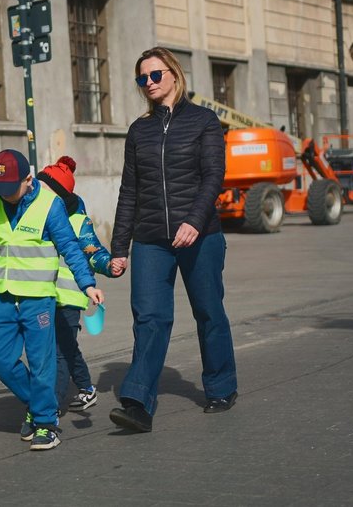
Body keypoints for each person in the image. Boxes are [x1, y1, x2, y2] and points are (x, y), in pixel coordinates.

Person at [109, 47, 238, 434]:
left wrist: (194, 220)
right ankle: (137, 402)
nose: (148, 83)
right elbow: (129, 191)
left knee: (208, 311)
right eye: (142, 78)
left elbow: (213, 176)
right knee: (149, 317)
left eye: (155, 75)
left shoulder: (203, 121)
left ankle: (221, 387)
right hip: (151, 239)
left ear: (174, 75)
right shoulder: (139, 130)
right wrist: (119, 248)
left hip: (200, 236)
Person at [0, 149, 104, 451]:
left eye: (10, 189)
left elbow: (70, 247)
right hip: (4, 297)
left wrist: (87, 285)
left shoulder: (50, 205)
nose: (4, 196)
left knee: (41, 361)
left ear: (28, 180)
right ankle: (38, 404)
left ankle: (46, 423)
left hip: (38, 299)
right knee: (0, 360)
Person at [35, 156, 119, 415]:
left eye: (44, 189)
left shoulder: (77, 221)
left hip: (70, 297)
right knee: (64, 347)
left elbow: (93, 251)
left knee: (61, 351)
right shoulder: (37, 216)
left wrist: (109, 265)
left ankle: (51, 406)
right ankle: (86, 387)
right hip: (44, 296)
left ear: (59, 196)